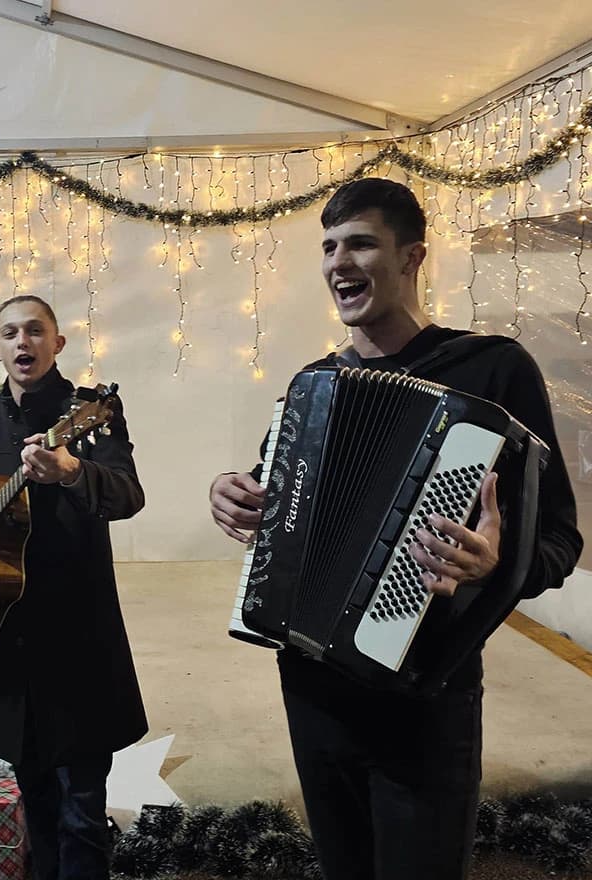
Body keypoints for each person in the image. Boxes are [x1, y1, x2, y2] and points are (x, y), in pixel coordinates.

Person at [209, 178, 583, 880]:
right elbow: (273, 508)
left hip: (424, 695)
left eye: (360, 244)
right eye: (327, 247)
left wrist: (498, 563)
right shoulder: (311, 387)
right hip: (311, 683)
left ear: (412, 258)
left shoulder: (491, 369)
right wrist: (230, 497)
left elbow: (561, 537)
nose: (337, 262)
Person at [0, 295, 147, 880]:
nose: (23, 343)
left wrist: (71, 471)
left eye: (35, 331)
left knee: (83, 810)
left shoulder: (91, 412)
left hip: (78, 637)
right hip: (4, 637)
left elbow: (127, 495)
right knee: (33, 796)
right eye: (10, 333)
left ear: (57, 344)